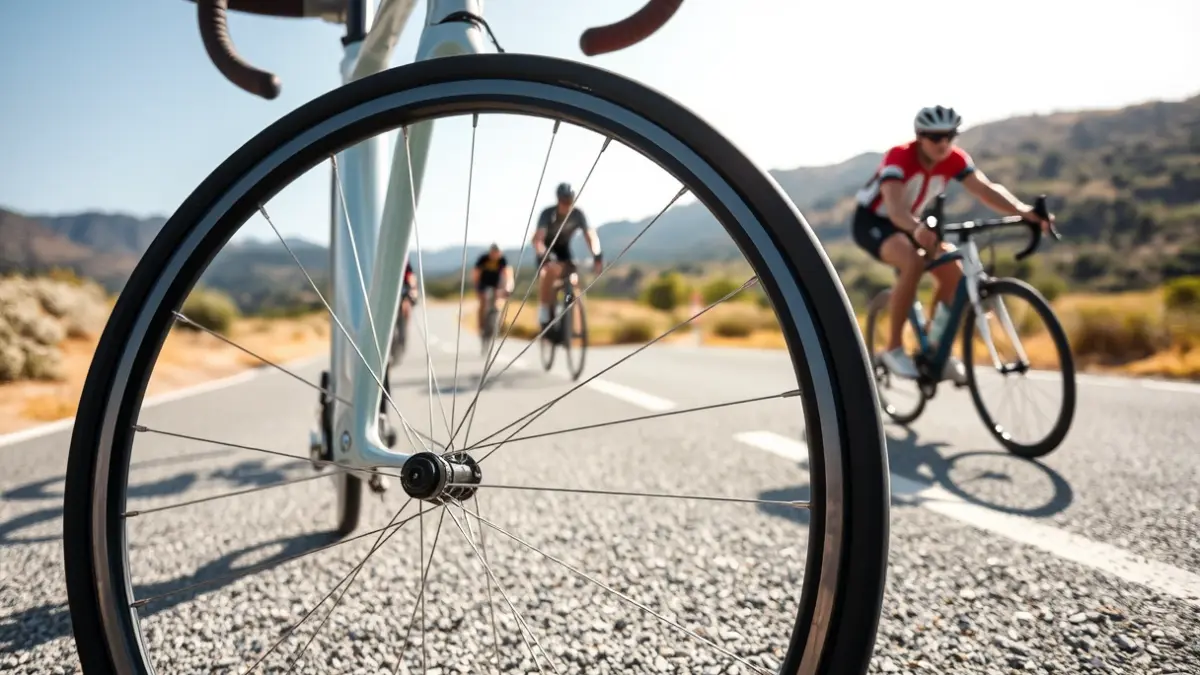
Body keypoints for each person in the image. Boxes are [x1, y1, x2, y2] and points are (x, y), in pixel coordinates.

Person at [851, 105, 1055, 383]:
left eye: (950, 136)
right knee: (912, 261)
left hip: (914, 222)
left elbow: (985, 189)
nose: (943, 143)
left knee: (955, 276)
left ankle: (934, 349)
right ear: (920, 137)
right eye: (936, 137)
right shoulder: (899, 156)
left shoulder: (954, 159)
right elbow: (896, 211)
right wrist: (917, 228)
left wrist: (1024, 211)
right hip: (875, 221)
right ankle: (893, 349)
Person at [532, 182, 603, 332]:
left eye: (570, 201)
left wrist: (597, 254)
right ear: (558, 200)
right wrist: (543, 254)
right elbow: (538, 239)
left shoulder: (577, 214)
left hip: (563, 250)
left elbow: (589, 235)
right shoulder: (548, 214)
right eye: (563, 201)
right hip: (547, 249)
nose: (567, 204)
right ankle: (544, 310)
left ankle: (569, 312)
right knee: (549, 271)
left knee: (573, 280)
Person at [472, 243, 514, 334]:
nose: (495, 255)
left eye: (497, 253)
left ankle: (498, 326)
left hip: (496, 285)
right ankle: (481, 326)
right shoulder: (483, 259)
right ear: (490, 252)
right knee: (482, 303)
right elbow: (476, 274)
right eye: (493, 252)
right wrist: (477, 288)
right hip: (483, 283)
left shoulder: (502, 260)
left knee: (498, 303)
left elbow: (508, 275)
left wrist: (508, 287)